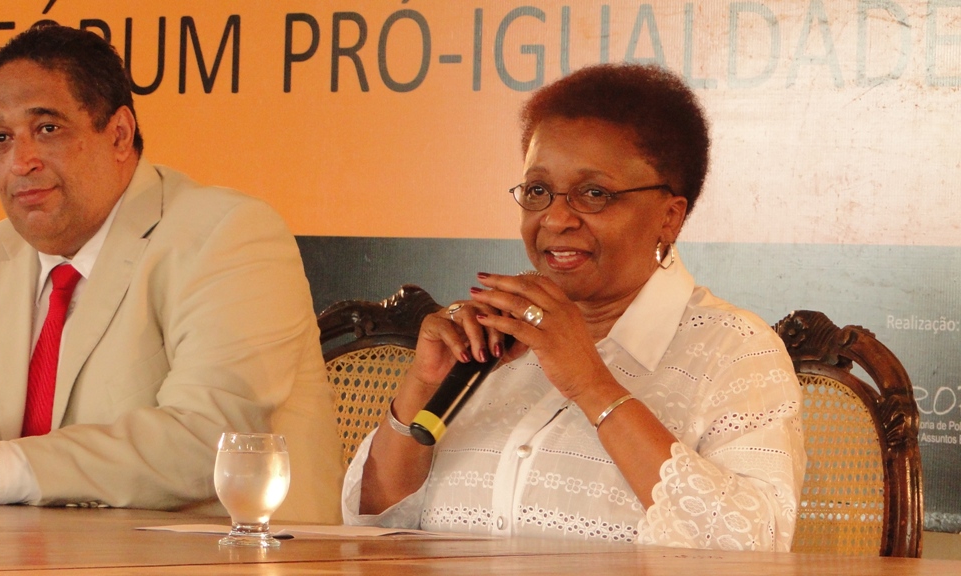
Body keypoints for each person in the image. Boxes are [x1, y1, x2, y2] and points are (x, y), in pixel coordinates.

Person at [343, 63, 806, 550]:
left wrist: (591, 384)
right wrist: (424, 386)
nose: (555, 219)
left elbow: (754, 547)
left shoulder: (735, 350)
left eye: (593, 194)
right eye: (538, 191)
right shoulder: (495, 337)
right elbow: (372, 531)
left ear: (669, 217)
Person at [0, 24, 343, 521]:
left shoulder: (226, 235)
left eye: (47, 129)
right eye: (1, 138)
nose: (20, 162)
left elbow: (209, 441)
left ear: (119, 134)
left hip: (224, 553)